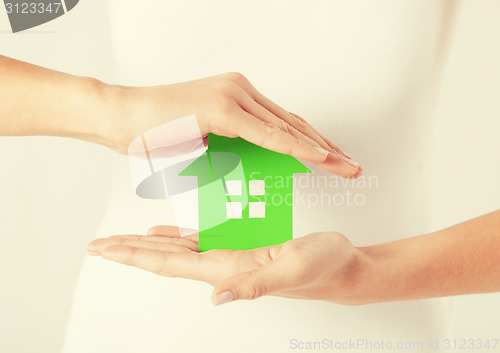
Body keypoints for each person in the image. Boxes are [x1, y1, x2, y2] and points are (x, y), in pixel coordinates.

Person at [2, 1, 498, 352]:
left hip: (380, 331)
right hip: (135, 325)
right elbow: (20, 13)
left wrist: (367, 272)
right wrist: (109, 110)